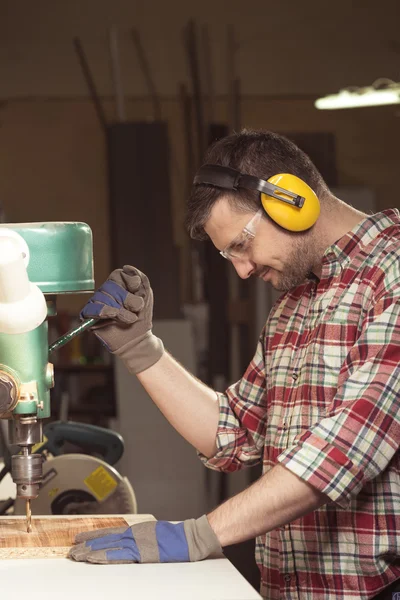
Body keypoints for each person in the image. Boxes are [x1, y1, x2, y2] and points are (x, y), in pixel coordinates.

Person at [70, 130, 400, 600]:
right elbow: (235, 433)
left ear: (292, 199)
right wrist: (139, 347)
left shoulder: (392, 274)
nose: (242, 270)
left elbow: (342, 452)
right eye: (228, 256)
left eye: (242, 244)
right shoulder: (295, 301)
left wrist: (196, 535)